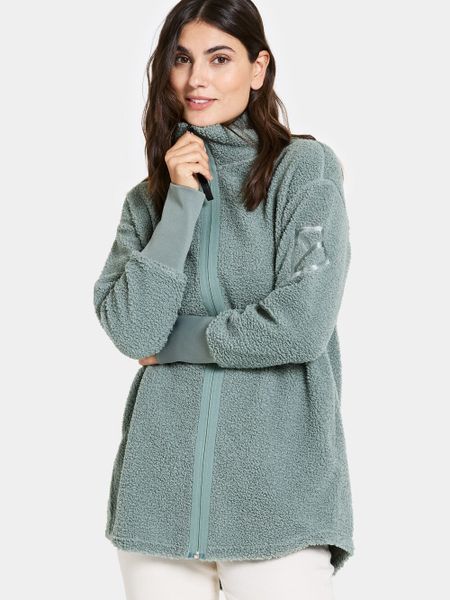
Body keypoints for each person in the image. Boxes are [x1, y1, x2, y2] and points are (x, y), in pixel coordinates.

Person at [93, 0, 354, 598]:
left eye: (219, 58)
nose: (197, 79)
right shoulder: (148, 201)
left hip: (279, 506)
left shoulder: (303, 172)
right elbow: (132, 331)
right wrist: (180, 205)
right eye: (182, 59)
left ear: (258, 69)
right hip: (157, 508)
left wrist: (181, 341)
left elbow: (301, 324)